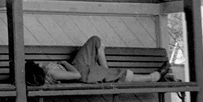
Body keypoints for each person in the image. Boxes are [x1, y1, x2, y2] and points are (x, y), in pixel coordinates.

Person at [35, 35, 173, 84]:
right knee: (120, 74)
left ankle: (104, 71)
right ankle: (154, 77)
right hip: (81, 74)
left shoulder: (40, 68)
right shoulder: (52, 73)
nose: (38, 63)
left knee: (95, 40)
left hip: (78, 65)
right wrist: (63, 62)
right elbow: (75, 75)